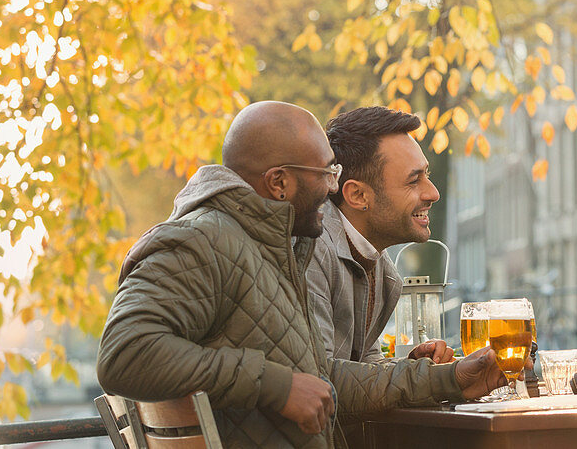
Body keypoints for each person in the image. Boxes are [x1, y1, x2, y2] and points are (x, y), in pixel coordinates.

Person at [96, 101, 505, 449]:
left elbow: (320, 378)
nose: (333, 188)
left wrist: (440, 377)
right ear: (279, 182)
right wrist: (276, 384)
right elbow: (124, 354)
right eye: (326, 173)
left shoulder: (271, 248)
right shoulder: (200, 241)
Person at [305, 105, 451, 363]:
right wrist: (426, 379)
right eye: (413, 180)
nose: (433, 193)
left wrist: (413, 365)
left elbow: (364, 368)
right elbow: (323, 380)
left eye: (426, 175)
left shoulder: (380, 267)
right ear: (358, 195)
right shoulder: (311, 252)